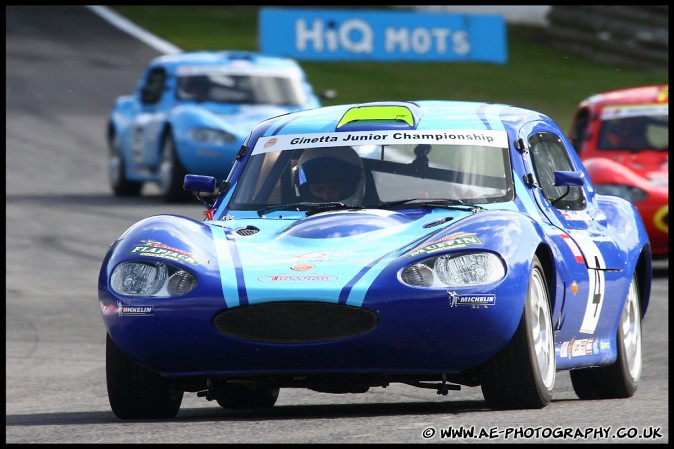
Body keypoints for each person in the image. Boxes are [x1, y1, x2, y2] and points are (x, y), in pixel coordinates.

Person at [295, 147, 365, 204]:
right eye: (318, 189)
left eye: (335, 188)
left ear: (350, 187)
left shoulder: (373, 216)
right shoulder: (287, 215)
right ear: (306, 190)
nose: (326, 196)